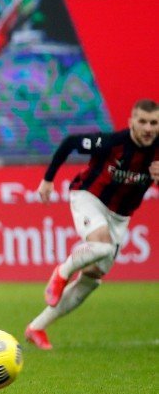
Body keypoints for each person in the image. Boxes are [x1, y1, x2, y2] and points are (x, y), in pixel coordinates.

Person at [25, 98, 159, 350]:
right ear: (132, 122)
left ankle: (36, 327)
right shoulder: (113, 143)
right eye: (142, 121)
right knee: (103, 247)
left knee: (91, 281)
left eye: (154, 123)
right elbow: (70, 143)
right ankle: (62, 272)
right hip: (89, 197)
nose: (148, 128)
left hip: (120, 217)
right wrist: (48, 180)